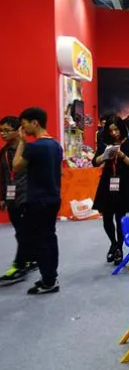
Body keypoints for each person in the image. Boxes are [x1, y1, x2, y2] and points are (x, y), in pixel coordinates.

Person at [12, 107, 63, 295]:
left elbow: (16, 166)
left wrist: (21, 142)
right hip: (53, 198)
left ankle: (49, 281)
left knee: (40, 240)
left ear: (35, 123)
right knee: (50, 237)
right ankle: (51, 276)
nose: (23, 128)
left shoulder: (34, 147)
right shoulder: (56, 145)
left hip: (38, 200)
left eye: (24, 124)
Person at [92, 116, 129, 265]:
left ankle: (119, 247)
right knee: (106, 217)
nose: (114, 133)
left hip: (124, 182)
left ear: (121, 128)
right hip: (108, 181)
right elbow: (95, 162)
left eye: (116, 130)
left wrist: (121, 155)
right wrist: (104, 156)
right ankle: (113, 243)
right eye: (111, 130)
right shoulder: (104, 143)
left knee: (120, 217)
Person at [0, 116, 32, 286]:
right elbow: (3, 176)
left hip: (27, 196)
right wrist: (2, 197)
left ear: (18, 130)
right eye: (1, 131)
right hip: (11, 196)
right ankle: (30, 258)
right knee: (20, 231)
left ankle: (20, 264)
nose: (3, 134)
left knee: (24, 231)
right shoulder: (3, 152)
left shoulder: (28, 150)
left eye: (7, 130)